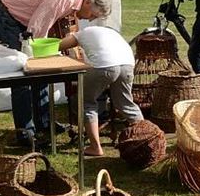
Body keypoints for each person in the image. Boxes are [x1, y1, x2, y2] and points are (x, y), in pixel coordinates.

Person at [0, 0, 112, 148]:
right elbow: (38, 26)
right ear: (87, 2)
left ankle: (45, 123)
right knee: (22, 74)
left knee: (40, 71)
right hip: (7, 15)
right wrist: (38, 54)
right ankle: (25, 133)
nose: (89, 19)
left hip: (22, 18)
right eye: (92, 15)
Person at [59, 26, 143, 156]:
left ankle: (95, 147)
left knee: (86, 102)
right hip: (127, 63)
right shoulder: (109, 32)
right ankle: (147, 137)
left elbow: (59, 46)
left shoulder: (81, 34)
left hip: (105, 65)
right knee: (125, 104)